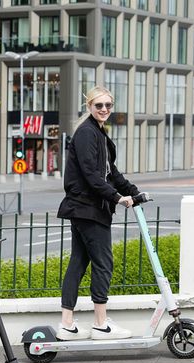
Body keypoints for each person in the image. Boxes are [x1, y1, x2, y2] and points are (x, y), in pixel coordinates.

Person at [56, 86, 140, 341]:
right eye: (99, 105)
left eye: (108, 106)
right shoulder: (86, 134)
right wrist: (116, 197)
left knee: (78, 263)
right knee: (103, 263)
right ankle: (101, 323)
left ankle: (67, 324)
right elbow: (92, 176)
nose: (104, 110)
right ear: (89, 107)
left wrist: (135, 192)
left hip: (86, 208)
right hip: (88, 208)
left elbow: (111, 172)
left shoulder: (99, 134)